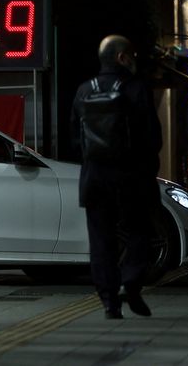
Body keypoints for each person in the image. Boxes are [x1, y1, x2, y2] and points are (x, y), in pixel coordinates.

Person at [71, 35, 163, 319]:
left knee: (101, 241)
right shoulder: (136, 88)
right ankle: (131, 282)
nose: (134, 60)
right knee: (140, 232)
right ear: (122, 57)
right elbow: (153, 137)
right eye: (132, 55)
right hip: (131, 176)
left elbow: (75, 139)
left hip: (94, 178)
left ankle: (109, 303)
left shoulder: (84, 90)